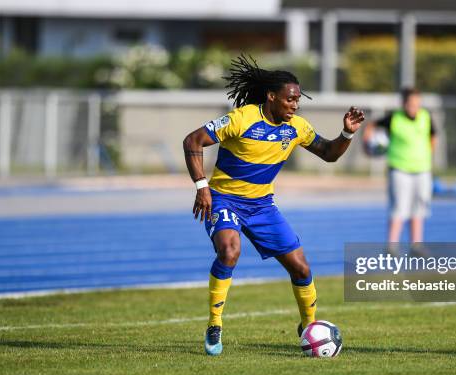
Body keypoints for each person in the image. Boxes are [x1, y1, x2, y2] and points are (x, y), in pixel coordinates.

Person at [183, 55, 365, 356]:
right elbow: (192, 141)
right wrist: (202, 187)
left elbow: (329, 154)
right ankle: (215, 324)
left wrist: (346, 133)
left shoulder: (297, 127)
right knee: (230, 251)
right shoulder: (241, 118)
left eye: (298, 100)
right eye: (290, 99)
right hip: (225, 200)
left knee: (301, 266)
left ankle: (309, 326)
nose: (295, 105)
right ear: (272, 97)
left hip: (262, 207)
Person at [362, 88, 437, 253]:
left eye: (417, 103)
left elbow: (433, 136)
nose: (414, 106)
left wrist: (428, 155)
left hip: (422, 169)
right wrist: (367, 144)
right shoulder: (394, 118)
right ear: (404, 103)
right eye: (410, 103)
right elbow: (371, 125)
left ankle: (416, 244)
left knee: (419, 207)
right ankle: (392, 245)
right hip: (399, 169)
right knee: (399, 207)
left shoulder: (425, 117)